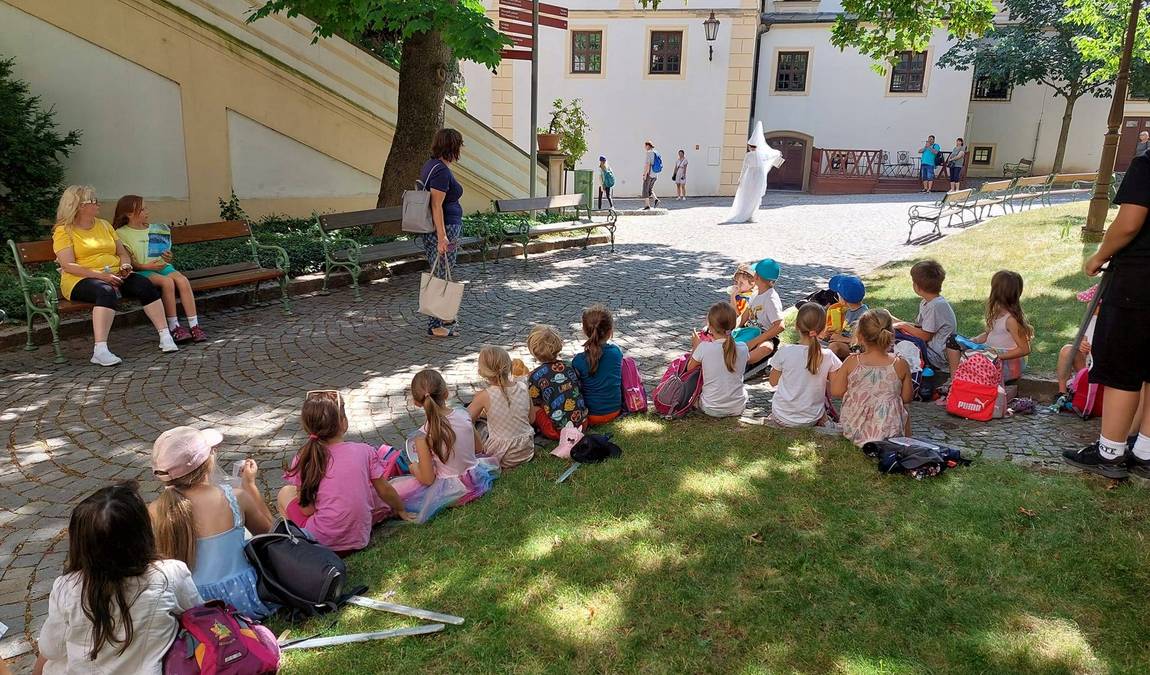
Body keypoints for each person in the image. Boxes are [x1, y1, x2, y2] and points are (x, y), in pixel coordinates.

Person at [33, 483, 201, 675]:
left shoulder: (67, 588)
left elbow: (50, 649)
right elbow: (197, 615)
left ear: (80, 543)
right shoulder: (171, 574)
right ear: (143, 532)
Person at [1063, 147, 1150, 479]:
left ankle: (1110, 453)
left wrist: (1098, 256)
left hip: (1139, 283)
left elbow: (1129, 223)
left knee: (1122, 368)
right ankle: (1144, 451)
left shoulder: (1147, 162)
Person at [148, 427, 275, 619]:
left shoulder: (156, 510)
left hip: (192, 604)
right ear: (207, 462)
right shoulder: (234, 496)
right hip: (243, 599)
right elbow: (269, 534)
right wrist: (250, 486)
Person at [51, 186, 177, 366]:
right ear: (78, 206)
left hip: (114, 273)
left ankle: (165, 336)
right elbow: (68, 265)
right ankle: (100, 350)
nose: (98, 204)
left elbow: (122, 253)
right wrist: (101, 276)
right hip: (79, 279)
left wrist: (125, 265)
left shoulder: (104, 225)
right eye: (93, 201)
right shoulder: (64, 231)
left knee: (144, 284)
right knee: (106, 291)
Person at [277, 391, 413, 555]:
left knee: (285, 493)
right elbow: (384, 489)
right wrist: (400, 509)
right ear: (343, 423)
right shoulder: (364, 451)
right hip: (359, 540)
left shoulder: (303, 459)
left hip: (321, 544)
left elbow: (307, 510)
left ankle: (295, 542)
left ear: (307, 426)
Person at [390, 370, 499, 523]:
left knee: (395, 490)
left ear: (416, 403)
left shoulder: (422, 437)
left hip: (450, 492)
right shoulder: (464, 414)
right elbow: (479, 448)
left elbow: (428, 479)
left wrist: (414, 468)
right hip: (476, 479)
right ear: (446, 393)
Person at [113, 195, 205, 344]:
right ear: (129, 214)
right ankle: (174, 327)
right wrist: (147, 267)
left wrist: (168, 257)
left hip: (162, 266)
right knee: (167, 282)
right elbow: (130, 262)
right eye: (142, 209)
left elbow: (165, 253)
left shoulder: (156, 228)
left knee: (182, 280)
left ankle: (195, 326)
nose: (146, 211)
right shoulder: (121, 233)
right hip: (143, 270)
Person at [831, 309, 914, 446]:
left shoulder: (852, 361)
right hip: (889, 432)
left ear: (859, 335)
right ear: (891, 334)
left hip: (854, 428)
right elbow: (907, 398)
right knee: (904, 407)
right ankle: (907, 441)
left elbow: (836, 391)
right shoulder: (899, 364)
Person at [945, 270, 1033, 384]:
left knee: (972, 358)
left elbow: (1025, 349)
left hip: (1006, 364)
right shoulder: (997, 313)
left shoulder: (1011, 320)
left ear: (996, 292)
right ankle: (955, 381)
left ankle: (960, 383)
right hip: (990, 354)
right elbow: (988, 334)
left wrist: (998, 356)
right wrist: (974, 341)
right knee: (953, 341)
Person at [421, 128, 466, 338]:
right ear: (452, 147)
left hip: (446, 227)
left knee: (442, 272)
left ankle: (442, 315)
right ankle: (434, 325)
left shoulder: (435, 166)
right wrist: (442, 237)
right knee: (439, 275)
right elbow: (436, 205)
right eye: (459, 145)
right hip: (444, 228)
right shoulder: (439, 170)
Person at [768, 303, 842, 428]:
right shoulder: (828, 355)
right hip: (812, 418)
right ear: (823, 329)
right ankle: (826, 420)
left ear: (797, 326)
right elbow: (836, 389)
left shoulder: (785, 351)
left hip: (782, 416)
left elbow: (773, 382)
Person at [468, 346, 536, 469]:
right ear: (510, 366)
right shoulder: (523, 387)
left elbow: (465, 422)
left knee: (478, 426)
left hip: (500, 456)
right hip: (526, 450)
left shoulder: (484, 395)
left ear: (481, 372)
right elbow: (531, 419)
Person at [892, 260, 957, 376]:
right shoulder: (928, 302)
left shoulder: (935, 306)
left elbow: (925, 335)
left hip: (936, 356)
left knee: (896, 343)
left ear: (917, 287)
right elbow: (919, 328)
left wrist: (903, 325)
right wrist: (894, 320)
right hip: (930, 349)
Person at [526, 324, 589, 440]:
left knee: (532, 407)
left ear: (533, 350)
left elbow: (533, 400)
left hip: (557, 432)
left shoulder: (535, 376)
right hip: (581, 424)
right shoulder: (570, 366)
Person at [688, 302, 749, 417]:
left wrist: (695, 348)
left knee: (693, 398)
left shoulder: (704, 348)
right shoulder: (743, 347)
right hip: (738, 406)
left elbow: (689, 369)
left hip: (711, 407)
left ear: (710, 327)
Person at [572, 305, 624, 425]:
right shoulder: (616, 353)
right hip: (614, 411)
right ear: (610, 331)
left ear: (585, 331)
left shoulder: (578, 361)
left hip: (590, 415)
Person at [725, 121, 784, 223]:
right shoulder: (762, 154)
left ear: (749, 146)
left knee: (746, 195)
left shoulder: (748, 155)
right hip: (759, 176)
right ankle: (751, 215)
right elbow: (774, 154)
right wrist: (779, 153)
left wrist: (740, 178)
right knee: (755, 196)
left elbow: (744, 168)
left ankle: (745, 213)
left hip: (750, 175)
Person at [740, 258, 786, 380]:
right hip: (748, 331)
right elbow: (745, 315)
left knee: (766, 348)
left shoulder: (771, 299)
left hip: (765, 335)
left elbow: (780, 325)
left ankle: (738, 362)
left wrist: (755, 341)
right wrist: (734, 327)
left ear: (757, 277)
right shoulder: (755, 293)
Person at [1054, 286, 1098, 402]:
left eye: (1093, 303)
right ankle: (1062, 393)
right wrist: (1082, 345)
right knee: (1067, 350)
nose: (1089, 305)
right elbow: (1081, 340)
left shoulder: (1109, 322)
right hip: (1087, 366)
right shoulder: (1090, 319)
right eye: (1088, 302)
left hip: (1101, 371)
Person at [823, 274, 869, 360]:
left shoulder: (864, 315)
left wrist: (841, 339)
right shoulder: (849, 310)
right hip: (846, 342)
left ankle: (822, 367)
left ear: (843, 300)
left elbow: (864, 341)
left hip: (857, 349)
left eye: (838, 295)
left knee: (834, 347)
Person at [642, 141, 660, 210]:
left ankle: (647, 205)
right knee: (650, 189)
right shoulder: (656, 153)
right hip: (655, 174)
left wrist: (645, 174)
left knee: (645, 189)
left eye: (645, 146)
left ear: (648, 146)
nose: (644, 147)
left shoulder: (649, 153)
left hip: (649, 174)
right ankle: (656, 199)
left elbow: (648, 164)